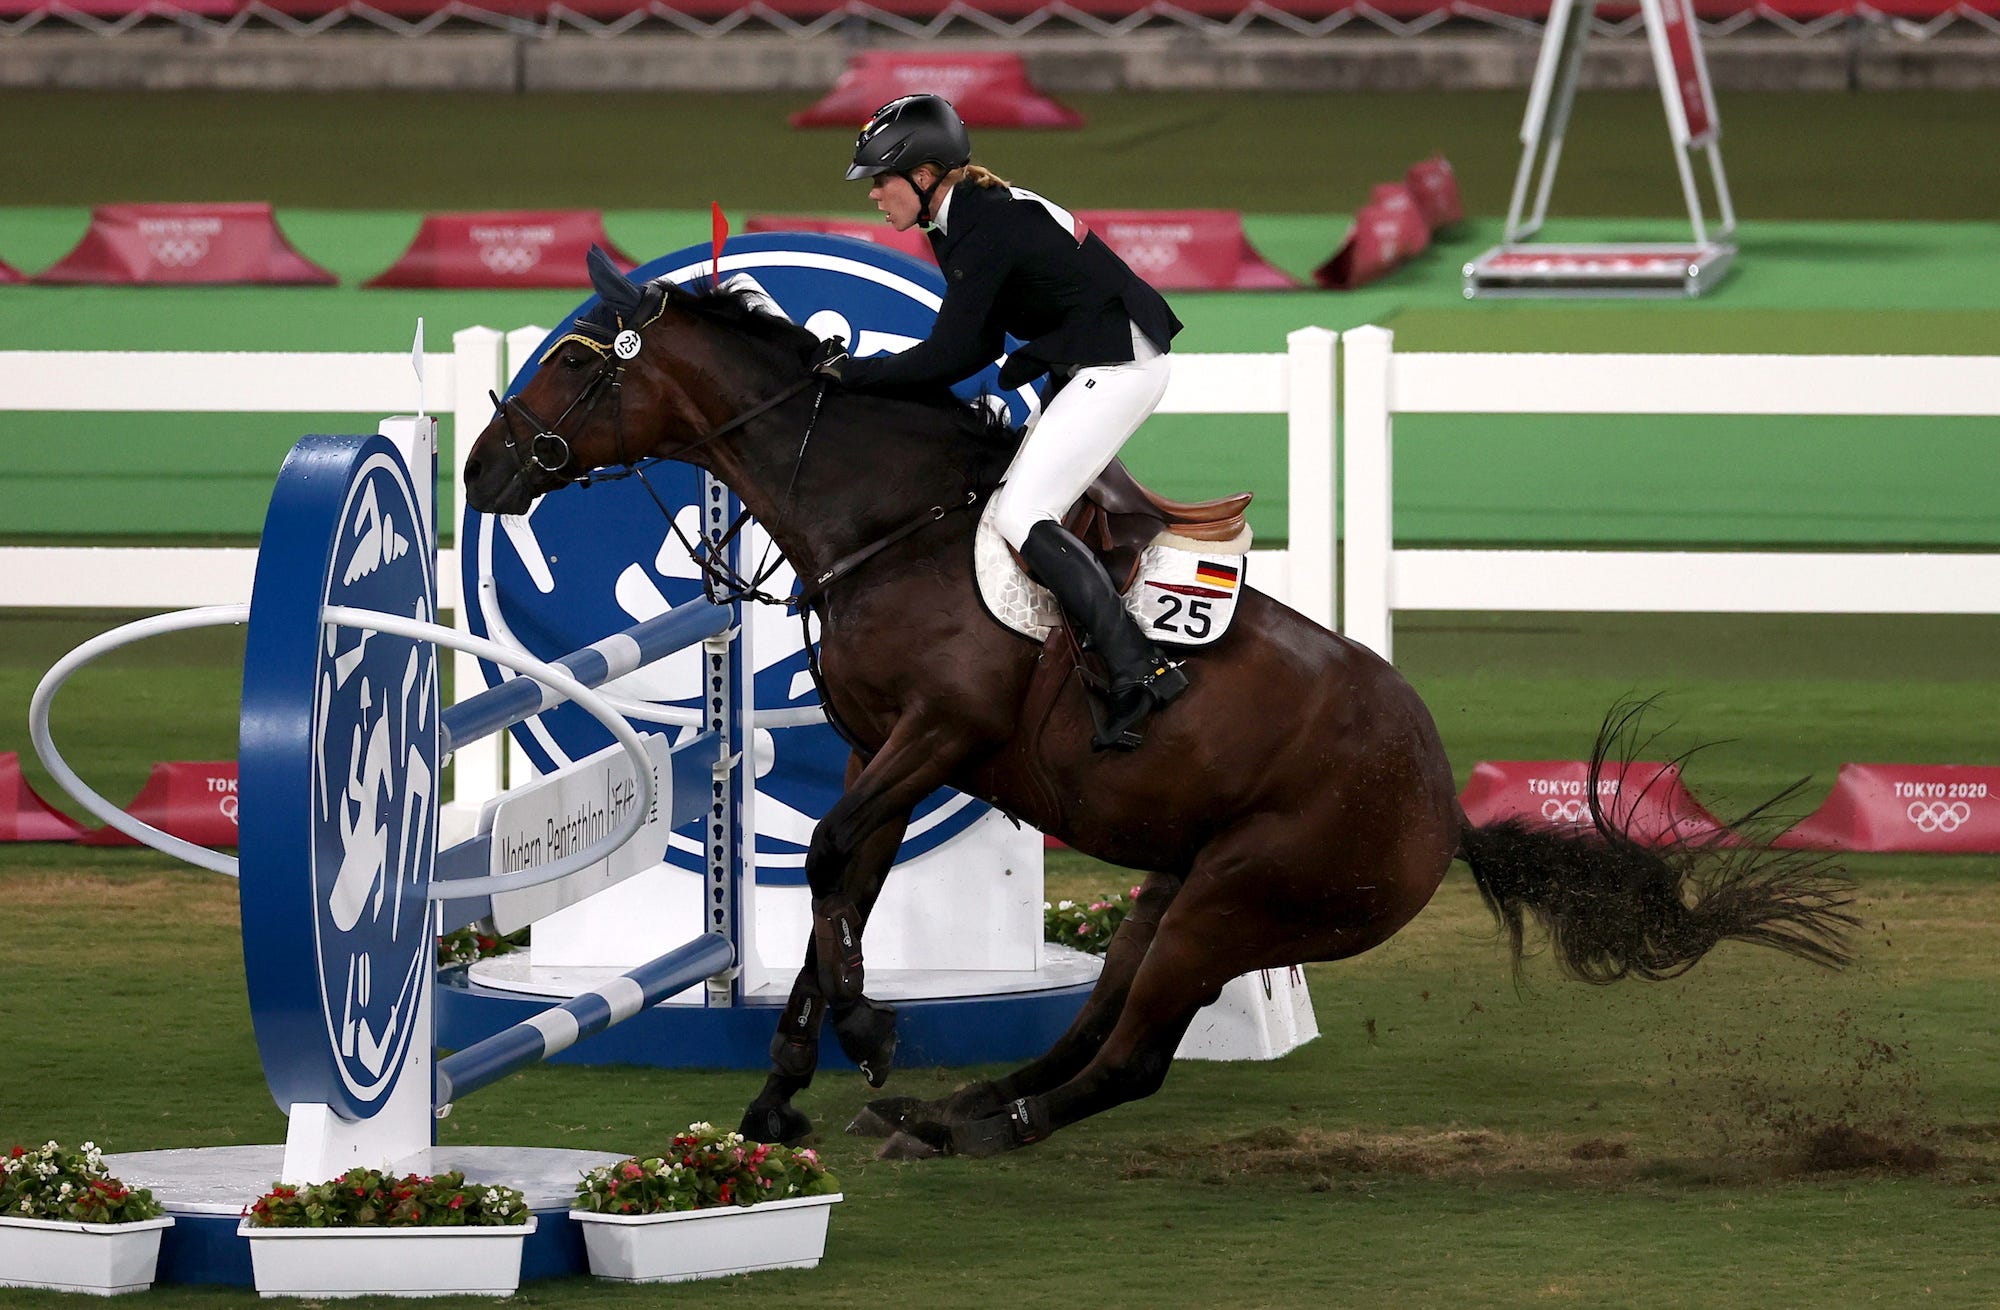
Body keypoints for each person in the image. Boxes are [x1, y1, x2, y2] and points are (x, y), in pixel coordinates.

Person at [816, 93, 1189, 752]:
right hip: (1096, 358)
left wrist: (851, 375)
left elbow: (952, 355)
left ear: (924, 176)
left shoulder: (981, 227)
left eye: (881, 179)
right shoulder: (964, 221)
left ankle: (1139, 668)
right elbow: (980, 345)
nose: (874, 194)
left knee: (1022, 515)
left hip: (1120, 365)